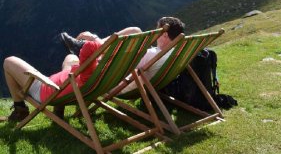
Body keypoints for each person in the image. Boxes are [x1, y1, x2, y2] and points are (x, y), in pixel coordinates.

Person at [2, 27, 141, 123]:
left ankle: (19, 109)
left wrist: (90, 41)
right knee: (70, 57)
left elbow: (90, 48)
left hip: (50, 90)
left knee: (9, 61)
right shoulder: (108, 67)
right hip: (82, 85)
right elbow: (136, 31)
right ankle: (59, 109)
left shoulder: (91, 55)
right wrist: (99, 43)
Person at [59, 17, 185, 95]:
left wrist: (93, 38)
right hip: (142, 83)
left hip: (111, 84)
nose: (156, 34)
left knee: (70, 59)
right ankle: (87, 46)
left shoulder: (153, 55)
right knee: (135, 31)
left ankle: (86, 46)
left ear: (165, 35)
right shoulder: (178, 52)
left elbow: (117, 57)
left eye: (159, 31)